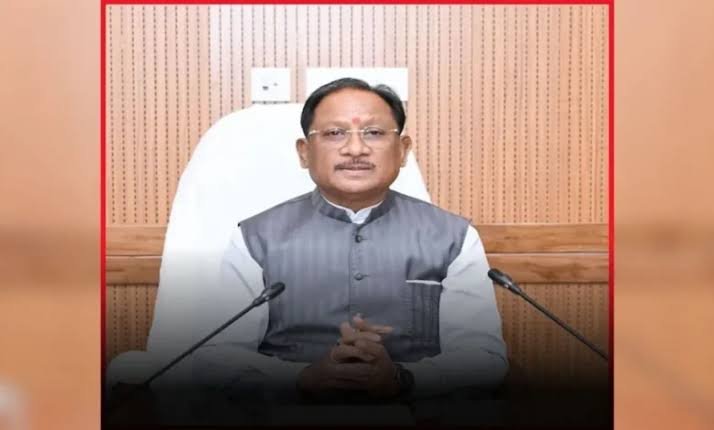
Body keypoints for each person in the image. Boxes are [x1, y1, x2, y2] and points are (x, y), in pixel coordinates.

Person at [192, 77, 508, 404]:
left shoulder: (453, 237)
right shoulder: (255, 238)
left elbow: (484, 358)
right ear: (304, 152)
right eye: (334, 133)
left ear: (402, 150)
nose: (355, 149)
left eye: (374, 133)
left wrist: (403, 379)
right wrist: (301, 378)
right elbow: (216, 358)